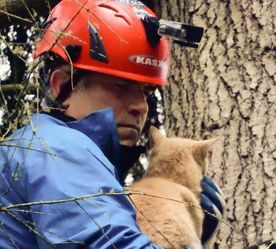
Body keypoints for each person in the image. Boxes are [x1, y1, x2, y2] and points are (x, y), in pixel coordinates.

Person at [0, 0, 224, 248]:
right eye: (122, 85)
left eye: (147, 92)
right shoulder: (56, 148)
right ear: (61, 84)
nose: (141, 106)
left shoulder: (37, 149)